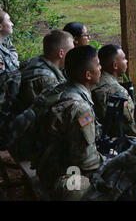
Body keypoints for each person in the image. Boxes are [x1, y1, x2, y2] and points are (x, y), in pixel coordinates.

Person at [32, 45, 104, 200]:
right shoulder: (80, 108)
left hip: (44, 165)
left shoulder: (56, 90)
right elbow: (87, 162)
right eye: (98, 64)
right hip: (62, 176)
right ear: (88, 75)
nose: (101, 68)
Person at [17, 30, 74, 111]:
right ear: (61, 53)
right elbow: (51, 113)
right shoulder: (45, 79)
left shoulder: (36, 61)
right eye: (71, 51)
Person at [91, 44, 136, 138]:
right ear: (115, 65)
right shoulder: (118, 91)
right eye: (124, 58)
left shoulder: (93, 82)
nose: (127, 61)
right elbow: (132, 128)